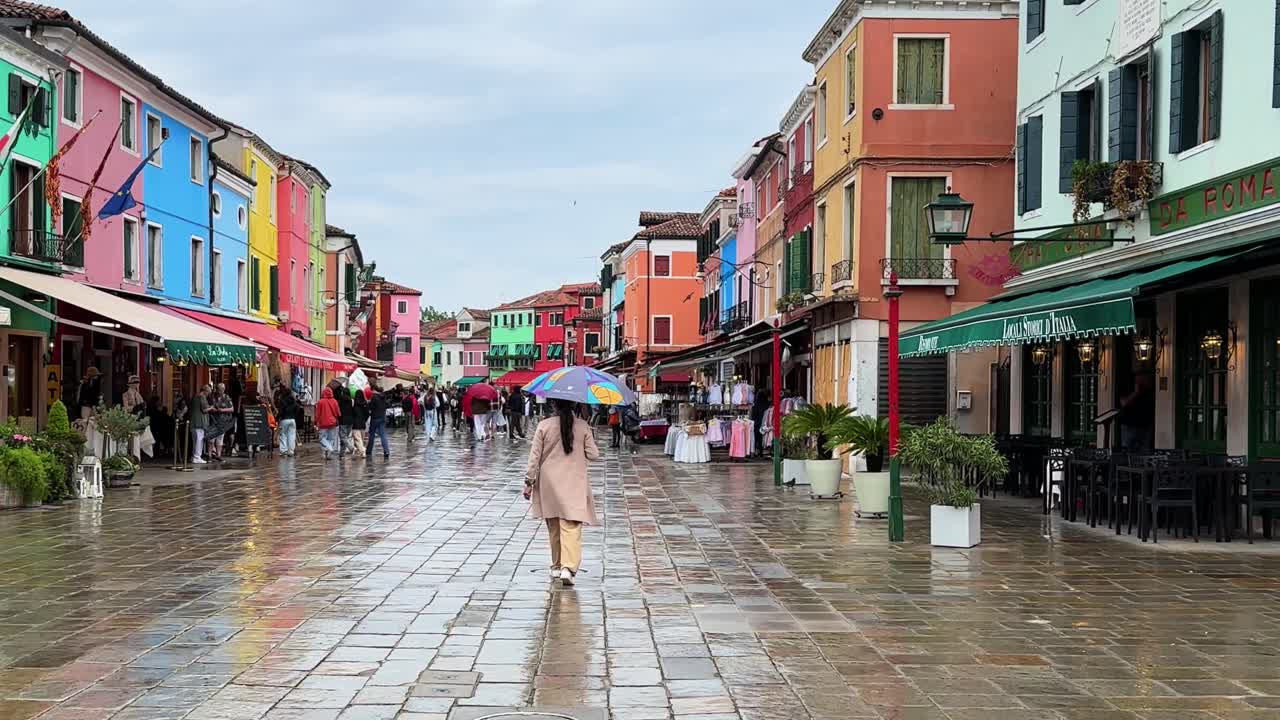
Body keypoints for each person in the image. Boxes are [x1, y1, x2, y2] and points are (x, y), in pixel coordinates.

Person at [524, 400, 601, 586]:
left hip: (549, 482)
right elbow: (594, 455)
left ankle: (556, 565)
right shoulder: (583, 426)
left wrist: (529, 481)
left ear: (554, 406)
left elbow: (534, 457)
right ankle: (568, 568)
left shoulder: (544, 425)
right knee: (571, 525)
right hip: (574, 481)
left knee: (554, 526)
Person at [1118, 371, 1154, 451]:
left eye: (1145, 378)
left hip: (1145, 427)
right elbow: (1123, 403)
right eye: (1141, 377)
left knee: (1144, 452)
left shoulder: (1150, 390)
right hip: (1129, 426)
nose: (1144, 379)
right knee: (1126, 452)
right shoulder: (1128, 387)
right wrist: (1136, 393)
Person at [206, 383, 235, 461]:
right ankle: (209, 455)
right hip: (213, 420)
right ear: (216, 389)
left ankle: (218, 455)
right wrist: (213, 409)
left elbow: (232, 409)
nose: (220, 391)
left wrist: (222, 410)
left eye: (222, 389)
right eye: (219, 389)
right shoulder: (211, 396)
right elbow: (207, 406)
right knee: (211, 439)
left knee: (220, 439)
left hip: (223, 422)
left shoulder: (226, 397)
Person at [366, 382, 391, 460]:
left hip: (375, 418)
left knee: (372, 434)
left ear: (373, 390)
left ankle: (369, 450)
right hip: (382, 417)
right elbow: (387, 405)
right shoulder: (383, 396)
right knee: (383, 435)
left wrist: (369, 403)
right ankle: (386, 451)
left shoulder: (374, 397)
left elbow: (371, 408)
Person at [315, 386, 341, 460]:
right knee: (330, 438)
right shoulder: (334, 401)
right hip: (332, 423)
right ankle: (329, 454)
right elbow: (338, 413)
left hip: (323, 423)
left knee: (322, 438)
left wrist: (316, 421)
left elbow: (318, 413)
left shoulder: (320, 402)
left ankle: (326, 452)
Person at [331, 375, 355, 455]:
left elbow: (338, 410)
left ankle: (351, 447)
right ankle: (342, 453)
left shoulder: (340, 401)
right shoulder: (351, 401)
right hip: (350, 421)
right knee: (345, 437)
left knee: (343, 437)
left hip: (343, 420)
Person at [189, 384, 210, 464]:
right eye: (208, 392)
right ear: (205, 391)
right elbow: (204, 409)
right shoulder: (202, 397)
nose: (208, 394)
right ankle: (197, 456)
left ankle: (194, 456)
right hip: (199, 422)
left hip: (193, 422)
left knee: (195, 440)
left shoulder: (195, 396)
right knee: (199, 440)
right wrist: (211, 408)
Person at [277, 387, 299, 457]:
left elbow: (281, 411)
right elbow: (297, 408)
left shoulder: (283, 401)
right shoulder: (293, 401)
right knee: (292, 436)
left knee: (283, 435)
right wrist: (294, 416)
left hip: (284, 419)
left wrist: (278, 417)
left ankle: (283, 451)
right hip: (292, 420)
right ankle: (291, 451)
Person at [351, 388, 370, 456]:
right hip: (362, 424)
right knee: (360, 440)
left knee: (357, 439)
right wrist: (364, 419)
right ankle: (360, 452)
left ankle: (362, 450)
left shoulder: (354, 404)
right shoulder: (365, 404)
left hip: (355, 424)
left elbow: (352, 413)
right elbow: (367, 414)